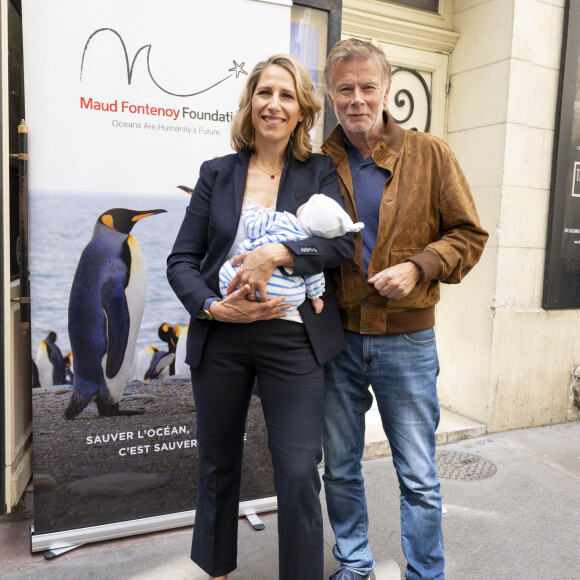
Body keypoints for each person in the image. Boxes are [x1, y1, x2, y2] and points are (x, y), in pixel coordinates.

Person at [166, 54, 355, 580]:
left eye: (287, 95)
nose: (274, 104)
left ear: (302, 112)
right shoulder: (217, 174)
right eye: (265, 93)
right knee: (219, 465)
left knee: (297, 472)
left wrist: (281, 255)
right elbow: (181, 259)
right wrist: (212, 305)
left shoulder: (319, 171)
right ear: (251, 105)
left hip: (293, 341)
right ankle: (217, 571)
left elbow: (340, 248)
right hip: (222, 337)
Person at [320, 39, 489, 580]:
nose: (357, 99)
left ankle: (425, 573)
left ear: (386, 90)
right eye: (344, 88)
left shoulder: (431, 153)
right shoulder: (317, 164)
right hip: (335, 340)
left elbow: (469, 233)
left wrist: (419, 267)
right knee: (341, 468)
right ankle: (353, 563)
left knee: (418, 473)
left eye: (368, 87)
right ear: (329, 94)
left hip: (407, 342)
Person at [219, 193, 363, 315]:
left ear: (305, 215)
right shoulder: (308, 242)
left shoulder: (283, 220)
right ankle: (273, 308)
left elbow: (252, 228)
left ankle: (229, 298)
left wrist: (251, 211)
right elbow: (314, 273)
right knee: (301, 290)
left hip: (247, 279)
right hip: (286, 295)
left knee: (226, 271)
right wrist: (316, 297)